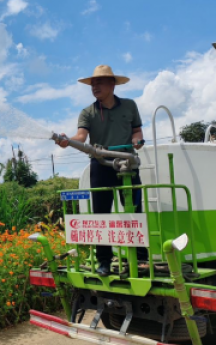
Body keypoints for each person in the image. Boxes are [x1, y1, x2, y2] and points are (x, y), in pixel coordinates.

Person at [55, 65, 147, 277]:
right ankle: (104, 262)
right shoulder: (88, 112)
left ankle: (141, 260)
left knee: (134, 211)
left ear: (112, 84)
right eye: (92, 84)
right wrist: (68, 141)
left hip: (127, 163)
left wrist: (137, 141)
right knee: (101, 215)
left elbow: (136, 131)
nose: (94, 86)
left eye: (99, 82)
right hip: (101, 164)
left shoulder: (129, 106)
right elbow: (81, 137)